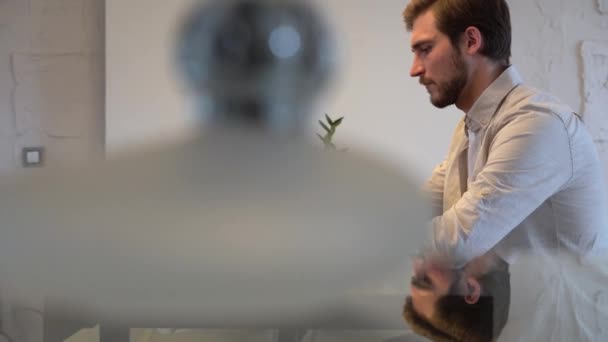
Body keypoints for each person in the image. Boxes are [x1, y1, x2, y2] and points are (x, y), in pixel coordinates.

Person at [400, 0, 608, 340]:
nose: (414, 69)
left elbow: (456, 239)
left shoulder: (537, 126)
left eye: (425, 49)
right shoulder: (471, 128)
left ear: (470, 41)